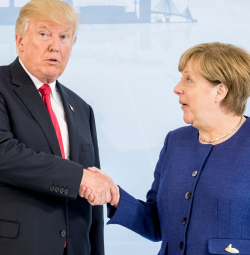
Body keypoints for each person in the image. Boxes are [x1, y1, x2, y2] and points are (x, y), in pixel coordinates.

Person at [80, 42, 250, 255]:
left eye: (188, 79)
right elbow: (157, 224)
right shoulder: (176, 142)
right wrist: (115, 197)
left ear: (220, 91)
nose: (177, 88)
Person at [0, 0, 118, 255]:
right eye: (44, 34)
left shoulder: (82, 109)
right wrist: (78, 178)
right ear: (20, 40)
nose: (55, 46)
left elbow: (93, 206)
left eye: (65, 37)